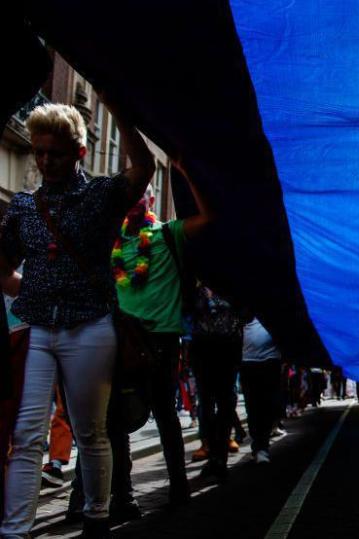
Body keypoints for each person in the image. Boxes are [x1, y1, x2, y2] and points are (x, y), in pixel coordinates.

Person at [0, 100, 155, 538]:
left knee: (91, 432)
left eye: (57, 153)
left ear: (79, 154)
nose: (47, 161)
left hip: (90, 326)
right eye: (40, 152)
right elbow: (3, 267)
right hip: (38, 330)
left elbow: (143, 166)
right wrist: (30, 291)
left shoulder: (101, 195)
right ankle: (14, 530)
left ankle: (96, 517)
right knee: (28, 433)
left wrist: (119, 109)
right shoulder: (24, 208)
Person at [108, 163, 210, 510]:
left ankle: (178, 488)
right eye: (127, 197)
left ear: (149, 200)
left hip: (162, 341)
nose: (133, 202)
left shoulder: (168, 233)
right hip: (122, 341)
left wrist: (188, 173)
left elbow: (208, 218)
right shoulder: (114, 242)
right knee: (115, 419)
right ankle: (122, 495)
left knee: (166, 415)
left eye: (139, 196)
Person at [191, 286, 246, 481]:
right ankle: (212, 453)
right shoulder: (194, 284)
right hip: (202, 348)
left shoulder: (230, 281)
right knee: (205, 403)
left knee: (225, 402)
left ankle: (219, 458)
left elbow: (246, 310)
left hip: (227, 347)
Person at [241, 318, 283, 465]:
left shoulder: (272, 312)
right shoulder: (243, 313)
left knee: (267, 406)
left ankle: (262, 447)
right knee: (252, 407)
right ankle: (258, 446)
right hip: (248, 363)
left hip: (270, 362)